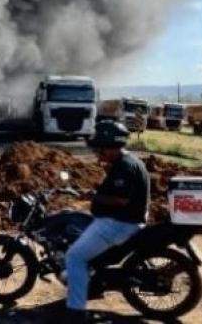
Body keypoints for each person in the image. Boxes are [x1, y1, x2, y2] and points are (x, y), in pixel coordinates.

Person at [64, 120, 150, 322]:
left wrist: (91, 197)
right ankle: (91, 284)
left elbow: (121, 199)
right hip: (125, 220)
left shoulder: (125, 167)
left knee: (74, 257)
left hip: (119, 223)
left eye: (100, 147)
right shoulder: (126, 162)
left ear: (112, 145)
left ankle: (76, 312)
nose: (97, 152)